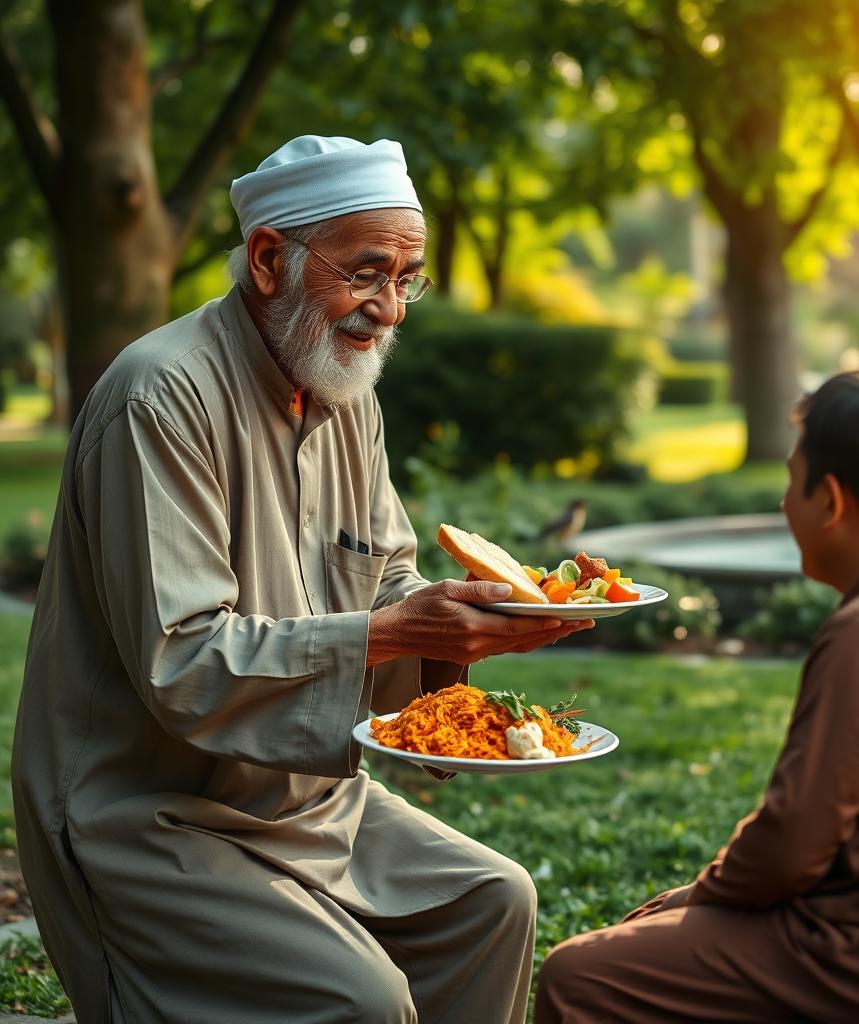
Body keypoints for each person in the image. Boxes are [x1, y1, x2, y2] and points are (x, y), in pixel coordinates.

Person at [12, 135, 593, 1024]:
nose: (391, 308)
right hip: (146, 813)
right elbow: (184, 658)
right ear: (270, 258)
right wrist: (403, 633)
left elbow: (389, 575)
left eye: (408, 277)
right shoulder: (159, 396)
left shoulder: (344, 390)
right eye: (369, 272)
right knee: (360, 1000)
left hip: (313, 805)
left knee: (495, 902)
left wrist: (469, 627)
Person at [535, 345, 859, 1024]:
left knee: (579, 975)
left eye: (792, 483)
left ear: (831, 501)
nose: (784, 502)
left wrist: (698, 897)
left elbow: (792, 845)